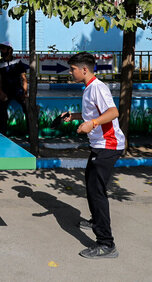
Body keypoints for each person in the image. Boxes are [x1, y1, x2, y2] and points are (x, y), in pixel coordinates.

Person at [61, 52, 125, 259]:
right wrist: (76, 117)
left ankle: (106, 244)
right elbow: (93, 113)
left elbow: (113, 112)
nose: (71, 73)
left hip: (108, 145)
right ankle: (96, 221)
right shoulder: (89, 89)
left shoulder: (98, 87)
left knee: (96, 191)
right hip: (100, 145)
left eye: (73, 69)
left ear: (84, 70)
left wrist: (92, 123)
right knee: (91, 183)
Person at [0, 41, 28, 135]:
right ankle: (2, 135)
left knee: (28, 109)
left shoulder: (18, 62)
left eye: (3, 48)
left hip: (18, 90)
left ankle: (31, 134)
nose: (1, 50)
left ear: (10, 50)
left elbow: (24, 78)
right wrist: (1, 92)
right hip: (6, 91)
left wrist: (25, 92)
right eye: (0, 48)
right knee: (2, 112)